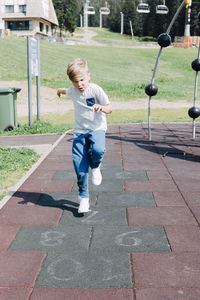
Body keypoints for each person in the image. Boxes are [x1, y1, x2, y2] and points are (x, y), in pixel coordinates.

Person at [57, 58, 112, 214]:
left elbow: (109, 108)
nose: (79, 84)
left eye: (82, 80)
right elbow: (64, 91)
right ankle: (83, 199)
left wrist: (101, 107)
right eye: (75, 82)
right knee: (79, 166)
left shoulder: (95, 90)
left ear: (88, 76)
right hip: (80, 132)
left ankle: (95, 166)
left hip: (97, 128)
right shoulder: (73, 90)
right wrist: (59, 91)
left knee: (98, 149)